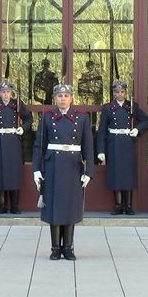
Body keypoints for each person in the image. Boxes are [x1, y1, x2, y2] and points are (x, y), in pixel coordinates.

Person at [32, 83, 94, 261]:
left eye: (66, 96)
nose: (63, 99)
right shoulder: (46, 117)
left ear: (71, 98)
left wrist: (89, 171)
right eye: (59, 96)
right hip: (53, 166)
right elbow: (39, 146)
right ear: (55, 98)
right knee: (54, 207)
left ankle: (68, 247)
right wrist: (36, 170)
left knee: (70, 206)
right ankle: (55, 248)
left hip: (73, 166)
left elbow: (88, 146)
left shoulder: (82, 118)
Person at [97, 79, 148, 215]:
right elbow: (102, 130)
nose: (120, 94)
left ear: (125, 92)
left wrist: (138, 130)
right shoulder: (108, 108)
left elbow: (147, 120)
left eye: (122, 91)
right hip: (114, 143)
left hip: (127, 142)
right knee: (116, 175)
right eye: (117, 92)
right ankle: (118, 205)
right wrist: (101, 150)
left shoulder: (132, 106)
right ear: (113, 93)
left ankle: (128, 206)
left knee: (128, 175)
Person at [0, 80, 33, 214]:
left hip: (13, 141)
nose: (6, 94)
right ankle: (2, 205)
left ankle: (15, 205)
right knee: (0, 174)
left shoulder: (17, 104)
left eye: (8, 92)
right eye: (3, 92)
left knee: (14, 173)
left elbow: (29, 119)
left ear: (11, 93)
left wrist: (22, 128)